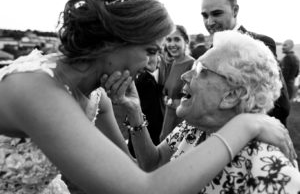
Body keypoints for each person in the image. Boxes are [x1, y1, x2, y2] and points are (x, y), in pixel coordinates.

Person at [0, 0, 295, 193]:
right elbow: (143, 187)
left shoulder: (97, 98)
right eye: (150, 50)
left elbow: (127, 168)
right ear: (113, 42)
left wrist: (132, 111)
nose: (154, 63)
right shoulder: (33, 88)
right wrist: (247, 124)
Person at [116, 30, 300, 193]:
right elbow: (153, 164)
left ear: (232, 95)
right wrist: (134, 111)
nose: (184, 76)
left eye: (200, 70)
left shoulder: (272, 174)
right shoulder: (193, 128)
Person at [200, 0, 290, 126]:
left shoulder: (259, 44)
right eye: (205, 15)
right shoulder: (209, 52)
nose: (209, 22)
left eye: (217, 14)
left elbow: (279, 106)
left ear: (235, 10)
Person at [160, 25, 195, 141]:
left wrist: (173, 101)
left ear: (185, 41)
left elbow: (194, 99)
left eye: (176, 39)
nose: (172, 44)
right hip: (167, 118)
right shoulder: (172, 63)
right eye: (169, 40)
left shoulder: (192, 64)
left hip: (181, 122)